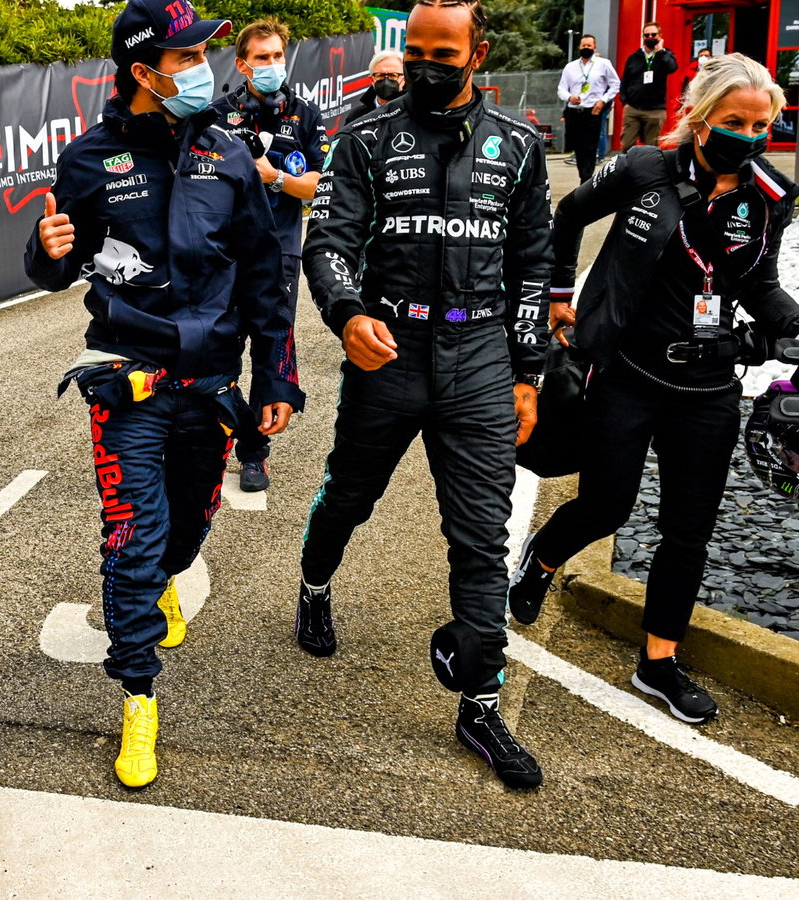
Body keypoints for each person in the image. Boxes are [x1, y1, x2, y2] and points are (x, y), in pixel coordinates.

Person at [509, 53, 799, 725]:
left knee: (688, 530)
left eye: (762, 124)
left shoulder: (768, 199)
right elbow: (567, 216)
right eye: (735, 121)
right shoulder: (643, 169)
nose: (749, 135)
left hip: (708, 389)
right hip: (626, 374)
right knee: (607, 505)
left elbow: (760, 285)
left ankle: (659, 663)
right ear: (700, 119)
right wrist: (557, 298)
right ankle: (541, 559)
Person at [25, 0, 303, 789]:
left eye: (201, 54)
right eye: (184, 57)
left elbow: (263, 277)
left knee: (185, 530)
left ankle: (170, 577)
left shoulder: (229, 155)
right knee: (133, 540)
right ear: (144, 73)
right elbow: (56, 261)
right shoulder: (89, 160)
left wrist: (276, 376)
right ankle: (138, 696)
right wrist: (44, 255)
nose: (200, 67)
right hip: (127, 383)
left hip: (212, 385)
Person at [299, 0, 552, 789]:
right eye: (413, 50)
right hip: (390, 354)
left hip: (479, 356)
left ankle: (480, 700)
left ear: (478, 53)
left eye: (443, 51)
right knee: (349, 497)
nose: (424, 64)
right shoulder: (366, 139)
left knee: (481, 539)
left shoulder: (520, 146)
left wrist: (527, 370)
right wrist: (346, 315)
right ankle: (314, 585)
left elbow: (536, 261)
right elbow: (329, 242)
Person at [213, 17, 328, 491]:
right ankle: (213, 432)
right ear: (243, 65)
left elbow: (320, 186)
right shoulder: (217, 113)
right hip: (224, 253)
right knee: (218, 346)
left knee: (272, 346)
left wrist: (273, 177)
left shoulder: (306, 113)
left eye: (278, 56)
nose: (272, 65)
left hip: (280, 251)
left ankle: (255, 452)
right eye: (262, 58)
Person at [556, 33, 619, 182]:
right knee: (578, 147)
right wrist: (569, 97)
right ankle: (582, 175)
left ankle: (586, 179)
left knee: (590, 147)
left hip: (593, 111)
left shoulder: (603, 64)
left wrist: (603, 100)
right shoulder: (570, 67)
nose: (586, 48)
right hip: (574, 111)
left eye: (589, 45)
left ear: (594, 47)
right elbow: (561, 89)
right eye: (584, 45)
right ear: (579, 47)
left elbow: (615, 84)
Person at [618, 22, 678, 149]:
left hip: (655, 110)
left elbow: (672, 68)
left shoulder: (665, 55)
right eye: (647, 35)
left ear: (660, 36)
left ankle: (647, 169)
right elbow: (625, 81)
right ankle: (629, 168)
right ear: (643, 37)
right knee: (627, 144)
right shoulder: (634, 57)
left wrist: (661, 51)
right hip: (633, 108)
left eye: (653, 34)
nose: (650, 37)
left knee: (650, 148)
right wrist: (625, 102)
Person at [349, 49, 406, 120]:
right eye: (380, 75)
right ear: (372, 80)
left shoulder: (416, 115)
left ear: (404, 79)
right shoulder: (357, 116)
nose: (386, 81)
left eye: (393, 75)